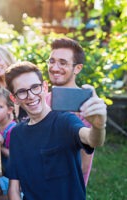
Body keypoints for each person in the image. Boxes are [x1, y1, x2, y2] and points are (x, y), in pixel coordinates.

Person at [5, 61, 106, 199]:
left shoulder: (65, 121)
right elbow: (14, 188)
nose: (31, 95)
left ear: (45, 87)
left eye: (35, 87)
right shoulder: (17, 134)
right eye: (22, 91)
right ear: (14, 98)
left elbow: (92, 139)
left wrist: (98, 126)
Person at [45, 37, 94, 186]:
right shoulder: (44, 100)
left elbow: (83, 166)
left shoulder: (85, 105)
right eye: (52, 61)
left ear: (77, 68)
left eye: (63, 62)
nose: (54, 67)